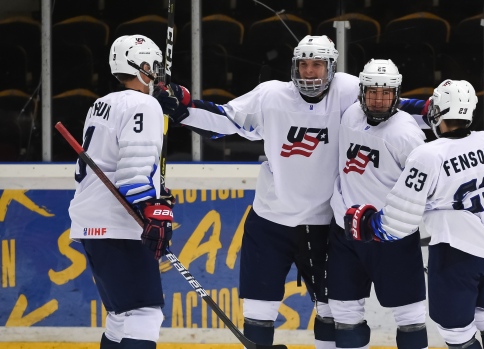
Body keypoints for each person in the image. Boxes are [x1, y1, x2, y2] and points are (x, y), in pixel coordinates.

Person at [155, 35, 360, 349]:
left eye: (316, 64)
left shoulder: (350, 92)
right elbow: (226, 120)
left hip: (323, 224)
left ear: (331, 67)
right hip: (269, 222)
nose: (308, 71)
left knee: (332, 311)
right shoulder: (272, 96)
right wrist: (183, 110)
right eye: (302, 64)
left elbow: (390, 111)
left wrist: (436, 112)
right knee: (257, 310)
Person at [344, 79, 484, 349]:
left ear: (439, 112)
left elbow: (400, 221)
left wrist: (367, 223)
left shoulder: (428, 156)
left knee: (457, 333)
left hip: (455, 257)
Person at [69, 34, 174, 349]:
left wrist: (156, 193)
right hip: (119, 222)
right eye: (153, 66)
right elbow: (132, 172)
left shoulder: (102, 104)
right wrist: (151, 209)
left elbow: (118, 162)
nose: (156, 73)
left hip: (92, 220)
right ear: (140, 66)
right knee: (145, 314)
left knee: (121, 316)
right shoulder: (144, 103)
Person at [328, 59, 429, 349]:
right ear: (362, 91)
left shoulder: (407, 135)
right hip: (345, 232)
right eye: (373, 91)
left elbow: (426, 186)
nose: (379, 99)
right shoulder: (349, 115)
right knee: (344, 312)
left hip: (391, 236)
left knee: (409, 316)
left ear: (396, 94)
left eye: (387, 93)